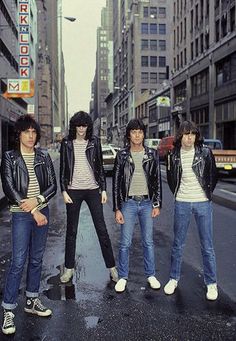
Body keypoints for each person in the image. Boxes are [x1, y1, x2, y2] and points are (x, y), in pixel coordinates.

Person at [1, 114, 57, 335]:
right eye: (27, 132)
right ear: (19, 134)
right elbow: (9, 188)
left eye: (34, 132)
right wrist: (33, 210)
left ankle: (32, 300)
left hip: (42, 211)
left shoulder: (43, 156)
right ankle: (8, 310)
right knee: (18, 261)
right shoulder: (10, 157)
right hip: (23, 215)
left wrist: (39, 202)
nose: (31, 136)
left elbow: (52, 185)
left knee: (36, 259)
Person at [60, 111, 118, 283]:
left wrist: (104, 189)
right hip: (73, 191)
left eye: (84, 125)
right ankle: (69, 268)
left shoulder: (94, 142)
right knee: (71, 231)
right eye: (78, 125)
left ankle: (112, 268)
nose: (81, 129)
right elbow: (63, 168)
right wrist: (64, 191)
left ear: (88, 126)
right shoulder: (66, 143)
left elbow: (99, 167)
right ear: (74, 126)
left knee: (102, 230)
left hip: (93, 190)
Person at [163, 121, 218, 300]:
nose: (189, 138)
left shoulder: (205, 153)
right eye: (186, 134)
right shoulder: (173, 155)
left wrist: (205, 194)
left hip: (202, 202)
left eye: (192, 134)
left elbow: (213, 176)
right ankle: (173, 279)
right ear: (180, 136)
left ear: (196, 136)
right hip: (182, 202)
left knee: (207, 246)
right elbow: (172, 179)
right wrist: (179, 194)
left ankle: (211, 283)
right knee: (178, 244)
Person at [113, 118, 162, 293]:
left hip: (147, 202)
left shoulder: (152, 154)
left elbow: (157, 181)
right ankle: (123, 277)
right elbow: (117, 183)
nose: (137, 135)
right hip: (129, 203)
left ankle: (151, 275)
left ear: (143, 134)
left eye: (140, 132)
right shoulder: (122, 155)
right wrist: (117, 208)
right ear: (129, 135)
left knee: (148, 242)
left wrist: (157, 204)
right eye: (134, 132)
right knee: (125, 243)